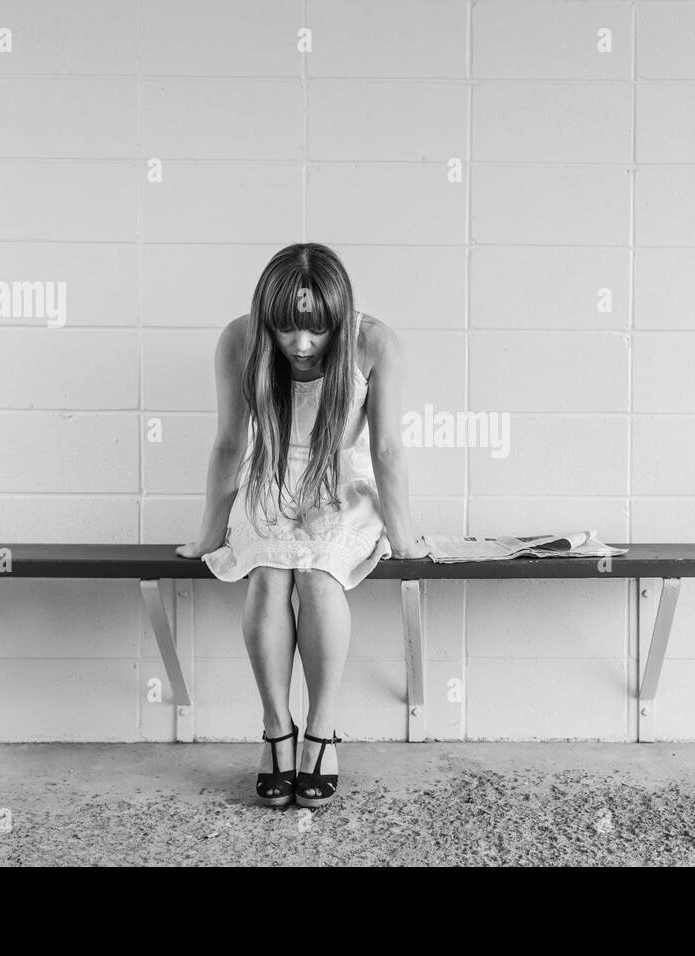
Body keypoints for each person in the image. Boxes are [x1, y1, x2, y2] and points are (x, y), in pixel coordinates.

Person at [176, 242, 430, 809]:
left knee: (318, 575)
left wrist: (404, 535)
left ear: (339, 318)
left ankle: (321, 731)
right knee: (269, 573)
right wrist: (209, 535)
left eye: (316, 330)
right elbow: (228, 443)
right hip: (268, 479)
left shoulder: (375, 344)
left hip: (343, 486)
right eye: (287, 329)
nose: (302, 344)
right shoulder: (240, 340)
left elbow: (387, 449)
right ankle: (275, 730)